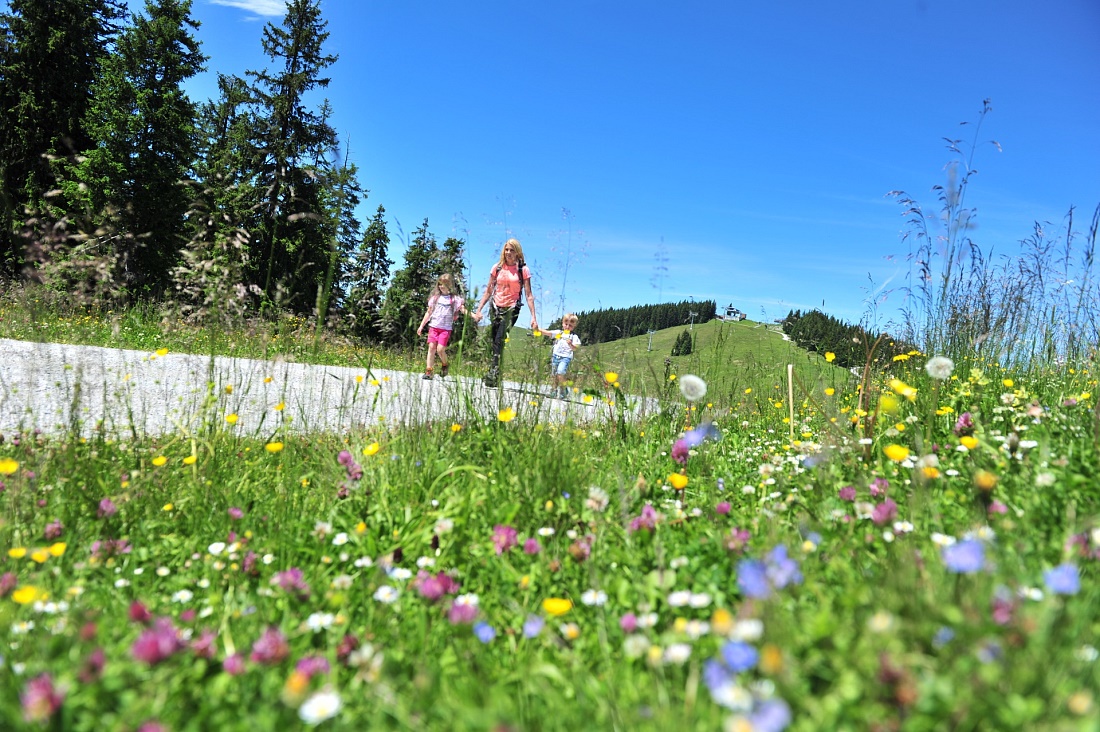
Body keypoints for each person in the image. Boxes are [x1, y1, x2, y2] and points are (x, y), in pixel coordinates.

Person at [473, 238, 538, 387]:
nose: (508, 252)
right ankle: (494, 371)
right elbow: (489, 290)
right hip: (495, 307)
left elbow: (528, 294)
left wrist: (533, 316)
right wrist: (478, 309)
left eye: (512, 250)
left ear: (517, 252)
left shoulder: (523, 270)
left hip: (512, 308)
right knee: (494, 340)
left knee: (499, 339)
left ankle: (493, 374)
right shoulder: (497, 268)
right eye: (506, 249)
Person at [416, 273, 467, 380]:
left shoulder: (454, 299)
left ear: (449, 285)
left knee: (440, 349)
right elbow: (429, 312)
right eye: (439, 284)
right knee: (431, 347)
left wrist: (474, 315)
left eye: (443, 284)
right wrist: (421, 326)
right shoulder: (435, 298)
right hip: (434, 326)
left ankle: (445, 364)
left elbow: (462, 309)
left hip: (445, 329)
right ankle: (429, 371)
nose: (441, 286)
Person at [539, 313, 581, 398]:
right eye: (566, 324)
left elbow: (576, 348)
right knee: (554, 375)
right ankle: (554, 391)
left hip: (565, 358)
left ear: (574, 326)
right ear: (562, 323)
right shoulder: (559, 333)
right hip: (555, 356)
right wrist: (538, 329)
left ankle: (563, 389)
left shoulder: (573, 336)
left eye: (570, 325)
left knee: (560, 372)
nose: (567, 327)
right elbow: (548, 333)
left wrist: (571, 344)